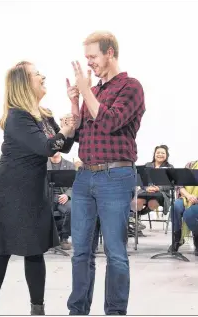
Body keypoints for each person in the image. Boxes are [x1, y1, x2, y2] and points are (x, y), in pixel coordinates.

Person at [0, 61, 75, 315]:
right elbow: (46, 147)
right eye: (37, 74)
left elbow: (62, 146)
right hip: (9, 188)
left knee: (34, 250)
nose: (42, 76)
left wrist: (70, 127)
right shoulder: (17, 116)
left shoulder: (43, 113)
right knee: (0, 251)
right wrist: (65, 131)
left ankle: (37, 308)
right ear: (24, 83)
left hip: (33, 187)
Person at [65, 31, 146, 316]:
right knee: (81, 252)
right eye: (87, 58)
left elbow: (110, 121)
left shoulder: (131, 86)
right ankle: (78, 310)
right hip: (85, 176)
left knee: (115, 253)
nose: (90, 63)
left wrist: (86, 90)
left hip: (116, 176)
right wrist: (76, 102)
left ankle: (114, 312)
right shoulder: (94, 92)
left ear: (110, 52)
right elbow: (82, 136)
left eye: (93, 57)